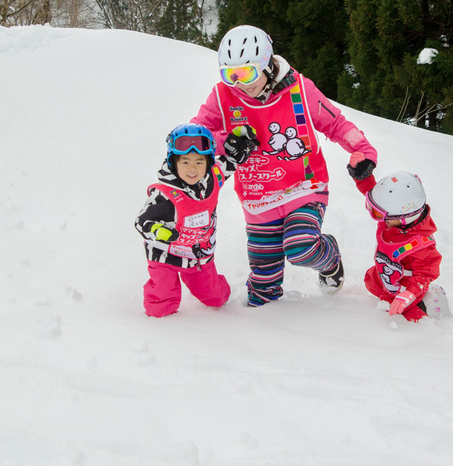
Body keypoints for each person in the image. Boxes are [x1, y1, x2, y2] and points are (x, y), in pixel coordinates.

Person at [192, 24, 378, 307]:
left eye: (247, 73)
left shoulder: (300, 89)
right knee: (263, 288)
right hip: (258, 198)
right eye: (231, 75)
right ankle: (268, 327)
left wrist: (362, 150)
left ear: (267, 63)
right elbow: (196, 134)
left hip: (304, 186)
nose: (240, 83)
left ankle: (329, 259)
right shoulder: (222, 96)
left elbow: (336, 124)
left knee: (300, 247)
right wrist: (224, 141)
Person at [135, 122, 256, 317]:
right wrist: (158, 230)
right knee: (160, 306)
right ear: (173, 162)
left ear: (208, 163)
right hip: (164, 254)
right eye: (185, 162)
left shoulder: (211, 180)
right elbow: (141, 221)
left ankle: (200, 281)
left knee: (216, 298)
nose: (192, 169)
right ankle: (161, 327)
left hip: (198, 256)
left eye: (199, 162)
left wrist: (237, 143)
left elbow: (229, 162)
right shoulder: (165, 195)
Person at [355, 167, 451, 321]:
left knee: (408, 318)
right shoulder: (391, 220)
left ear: (404, 217)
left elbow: (425, 273)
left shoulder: (421, 245)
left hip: (405, 286)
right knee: (370, 283)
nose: (379, 218)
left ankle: (431, 302)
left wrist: (410, 293)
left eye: (378, 213)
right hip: (384, 277)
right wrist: (362, 177)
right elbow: (380, 198)